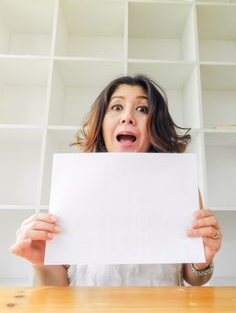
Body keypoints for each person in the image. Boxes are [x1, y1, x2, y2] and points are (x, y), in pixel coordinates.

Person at [10, 74, 222, 286]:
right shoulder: (74, 184)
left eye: (142, 109)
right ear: (102, 123)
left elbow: (194, 278)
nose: (127, 117)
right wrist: (40, 262)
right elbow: (59, 288)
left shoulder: (180, 185)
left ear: (155, 125)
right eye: (117, 107)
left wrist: (202, 260)